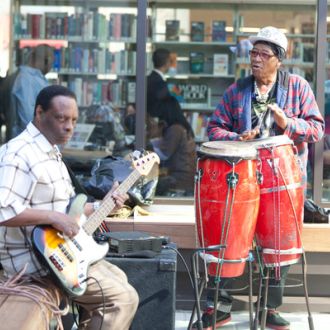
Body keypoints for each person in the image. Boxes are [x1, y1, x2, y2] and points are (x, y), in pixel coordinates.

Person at [194, 26, 324, 330]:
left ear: (279, 59)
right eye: (253, 53)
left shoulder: (298, 87)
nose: (255, 59)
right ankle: (221, 308)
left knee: (279, 243)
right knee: (228, 238)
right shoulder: (237, 90)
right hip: (242, 179)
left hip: (283, 178)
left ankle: (269, 309)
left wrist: (287, 123)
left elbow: (316, 130)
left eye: (263, 54)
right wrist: (239, 137)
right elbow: (213, 129)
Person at [0, 85, 139, 329]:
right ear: (39, 113)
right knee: (122, 299)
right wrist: (53, 217)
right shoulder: (19, 155)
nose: (69, 127)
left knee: (120, 278)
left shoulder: (50, 151)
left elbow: (66, 211)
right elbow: (3, 210)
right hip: (35, 265)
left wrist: (103, 205)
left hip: (60, 255)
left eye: (74, 120)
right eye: (61, 118)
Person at [150, 97, 196, 196]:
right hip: (186, 177)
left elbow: (164, 154)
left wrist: (147, 147)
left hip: (179, 178)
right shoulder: (182, 128)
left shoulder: (175, 129)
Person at [7, 44, 54, 140]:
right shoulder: (26, 80)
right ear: (47, 61)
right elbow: (27, 118)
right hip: (29, 142)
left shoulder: (32, 78)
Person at [147, 48, 172, 119]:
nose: (170, 64)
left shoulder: (149, 79)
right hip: (158, 125)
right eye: (170, 61)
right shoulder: (159, 82)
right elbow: (163, 108)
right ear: (166, 62)